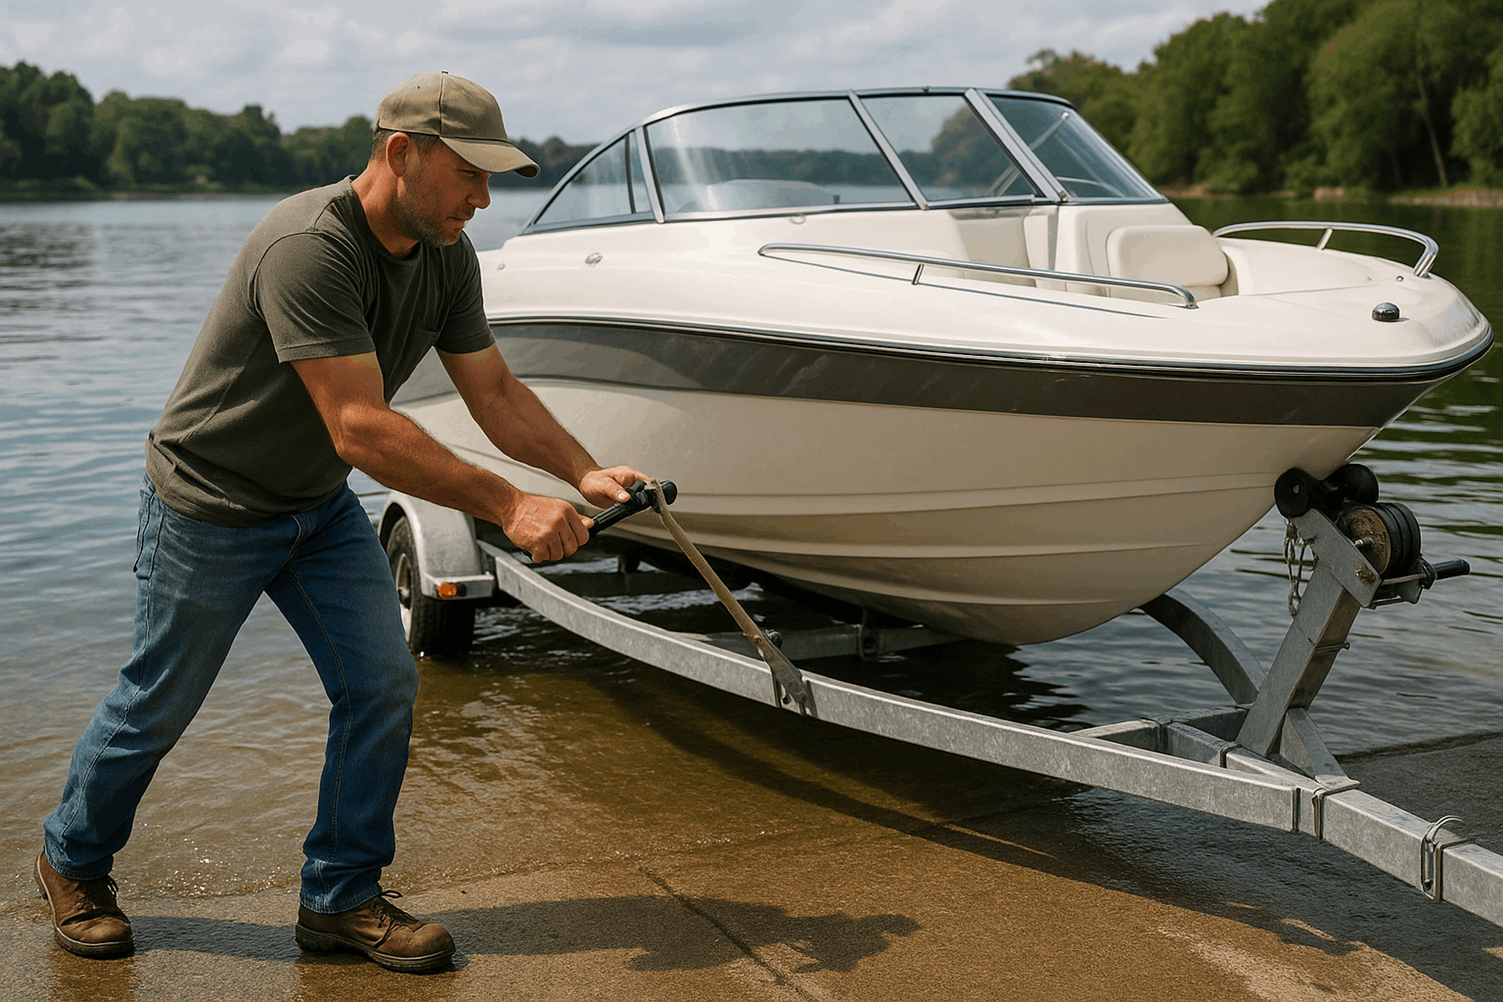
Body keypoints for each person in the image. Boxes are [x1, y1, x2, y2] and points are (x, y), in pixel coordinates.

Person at [35, 71, 647, 974]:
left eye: (492, 179)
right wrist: (510, 504)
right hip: (209, 500)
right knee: (159, 701)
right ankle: (72, 862)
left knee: (383, 685)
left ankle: (339, 897)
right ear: (400, 154)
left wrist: (579, 472)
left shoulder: (447, 254)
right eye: (469, 174)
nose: (483, 198)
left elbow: (495, 391)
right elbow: (358, 426)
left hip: (313, 506)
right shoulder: (307, 246)